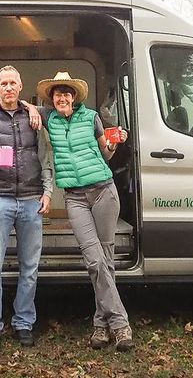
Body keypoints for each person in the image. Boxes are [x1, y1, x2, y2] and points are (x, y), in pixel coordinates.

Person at [36, 71, 133, 352]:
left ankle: (100, 326)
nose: (62, 97)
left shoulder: (91, 117)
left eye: (67, 93)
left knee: (106, 259)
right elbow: (23, 106)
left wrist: (114, 143)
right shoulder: (48, 118)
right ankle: (121, 324)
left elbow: (107, 154)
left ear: (75, 97)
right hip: (75, 198)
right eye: (57, 94)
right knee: (94, 259)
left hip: (104, 191)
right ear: (51, 99)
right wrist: (31, 110)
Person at [0, 66, 52, 353]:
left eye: (13, 83)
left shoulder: (34, 118)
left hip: (30, 200)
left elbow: (44, 157)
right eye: (3, 83)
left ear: (20, 85)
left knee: (30, 268)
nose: (8, 88)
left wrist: (48, 192)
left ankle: (24, 322)